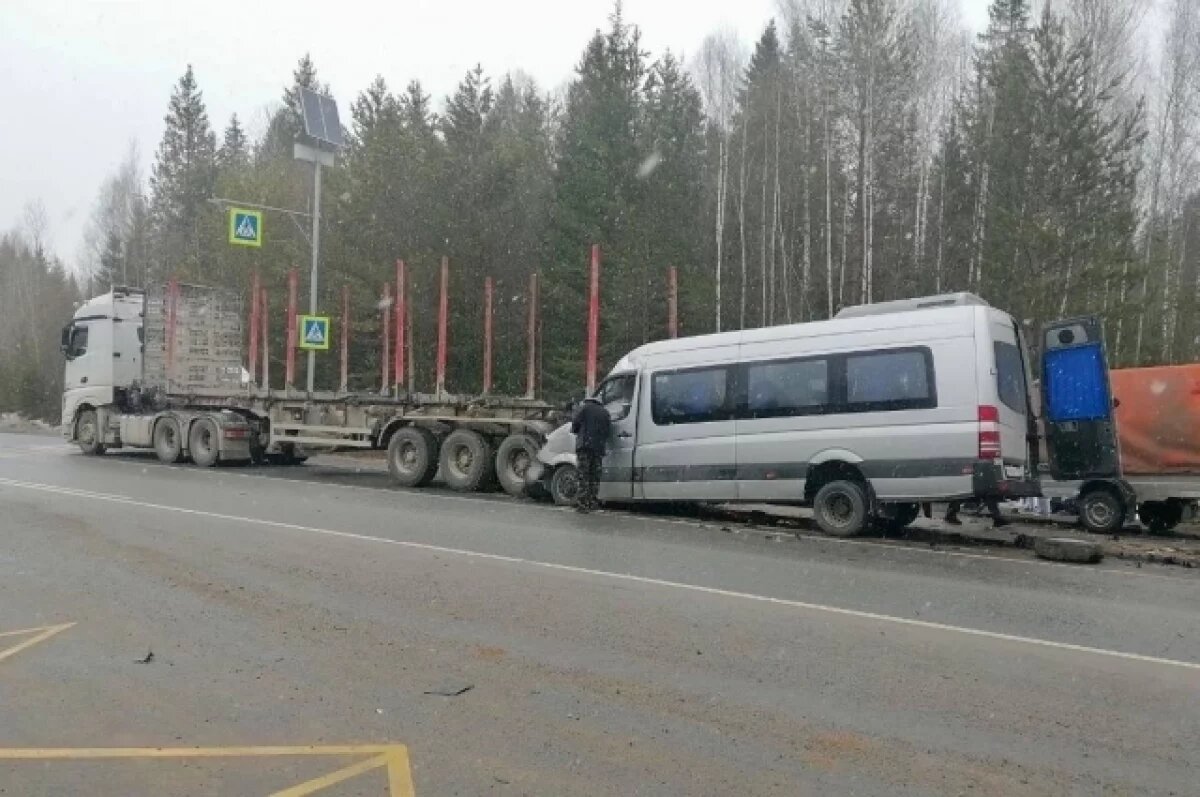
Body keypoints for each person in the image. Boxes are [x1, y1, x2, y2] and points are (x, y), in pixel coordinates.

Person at [571, 395, 611, 513]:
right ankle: (593, 502)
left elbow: (575, 425)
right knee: (594, 476)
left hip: (585, 446)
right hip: (598, 448)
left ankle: (582, 505)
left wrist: (577, 431)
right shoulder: (605, 412)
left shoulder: (584, 408)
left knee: (583, 475)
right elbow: (607, 431)